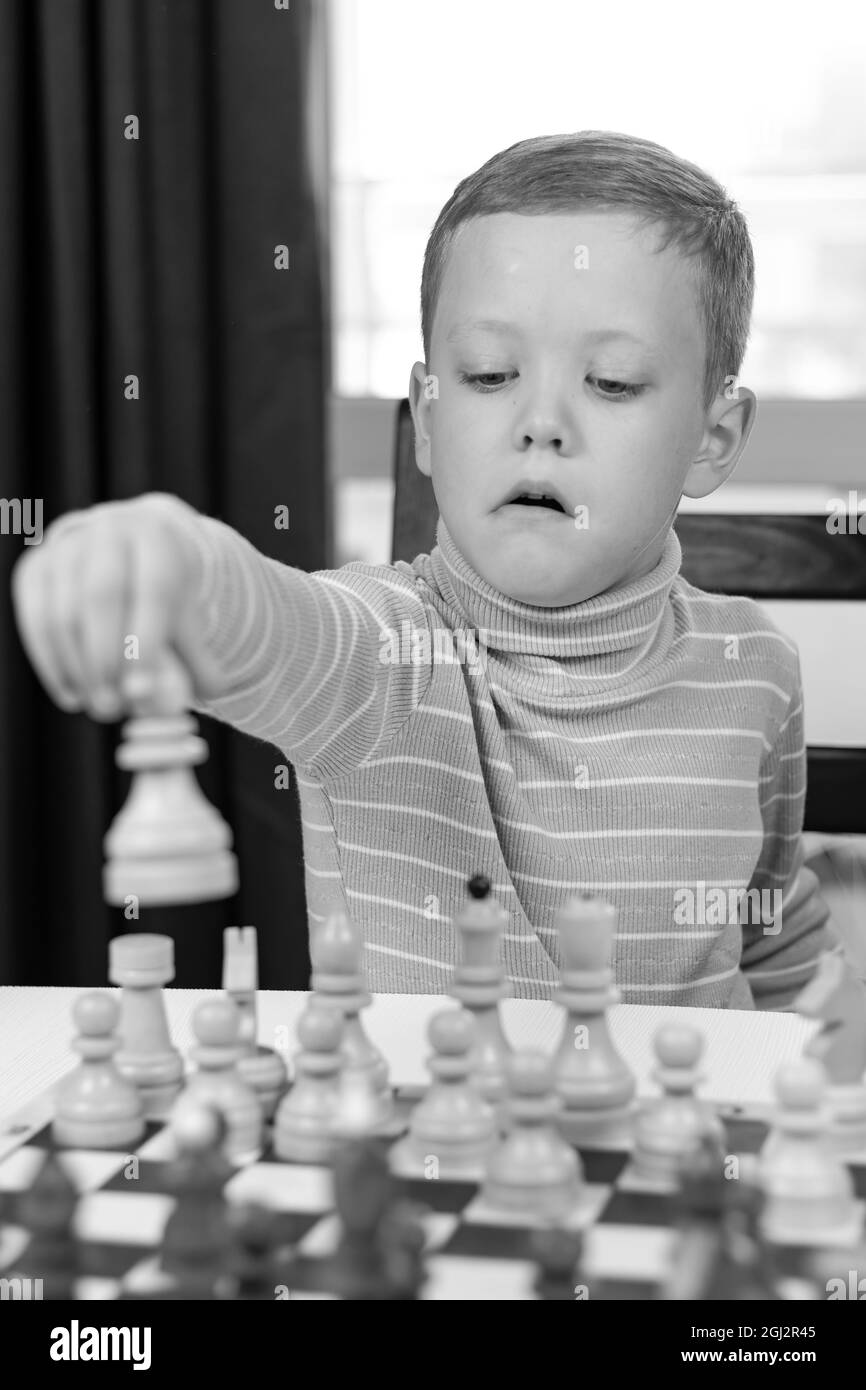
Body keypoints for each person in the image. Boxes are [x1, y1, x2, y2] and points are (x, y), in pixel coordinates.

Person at [10, 130, 855, 1007]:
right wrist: (164, 556)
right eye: (489, 375)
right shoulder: (382, 657)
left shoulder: (753, 667)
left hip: (686, 1138)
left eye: (611, 381)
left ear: (713, 439)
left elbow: (768, 925)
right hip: (440, 1139)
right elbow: (262, 617)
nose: (540, 422)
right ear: (425, 416)